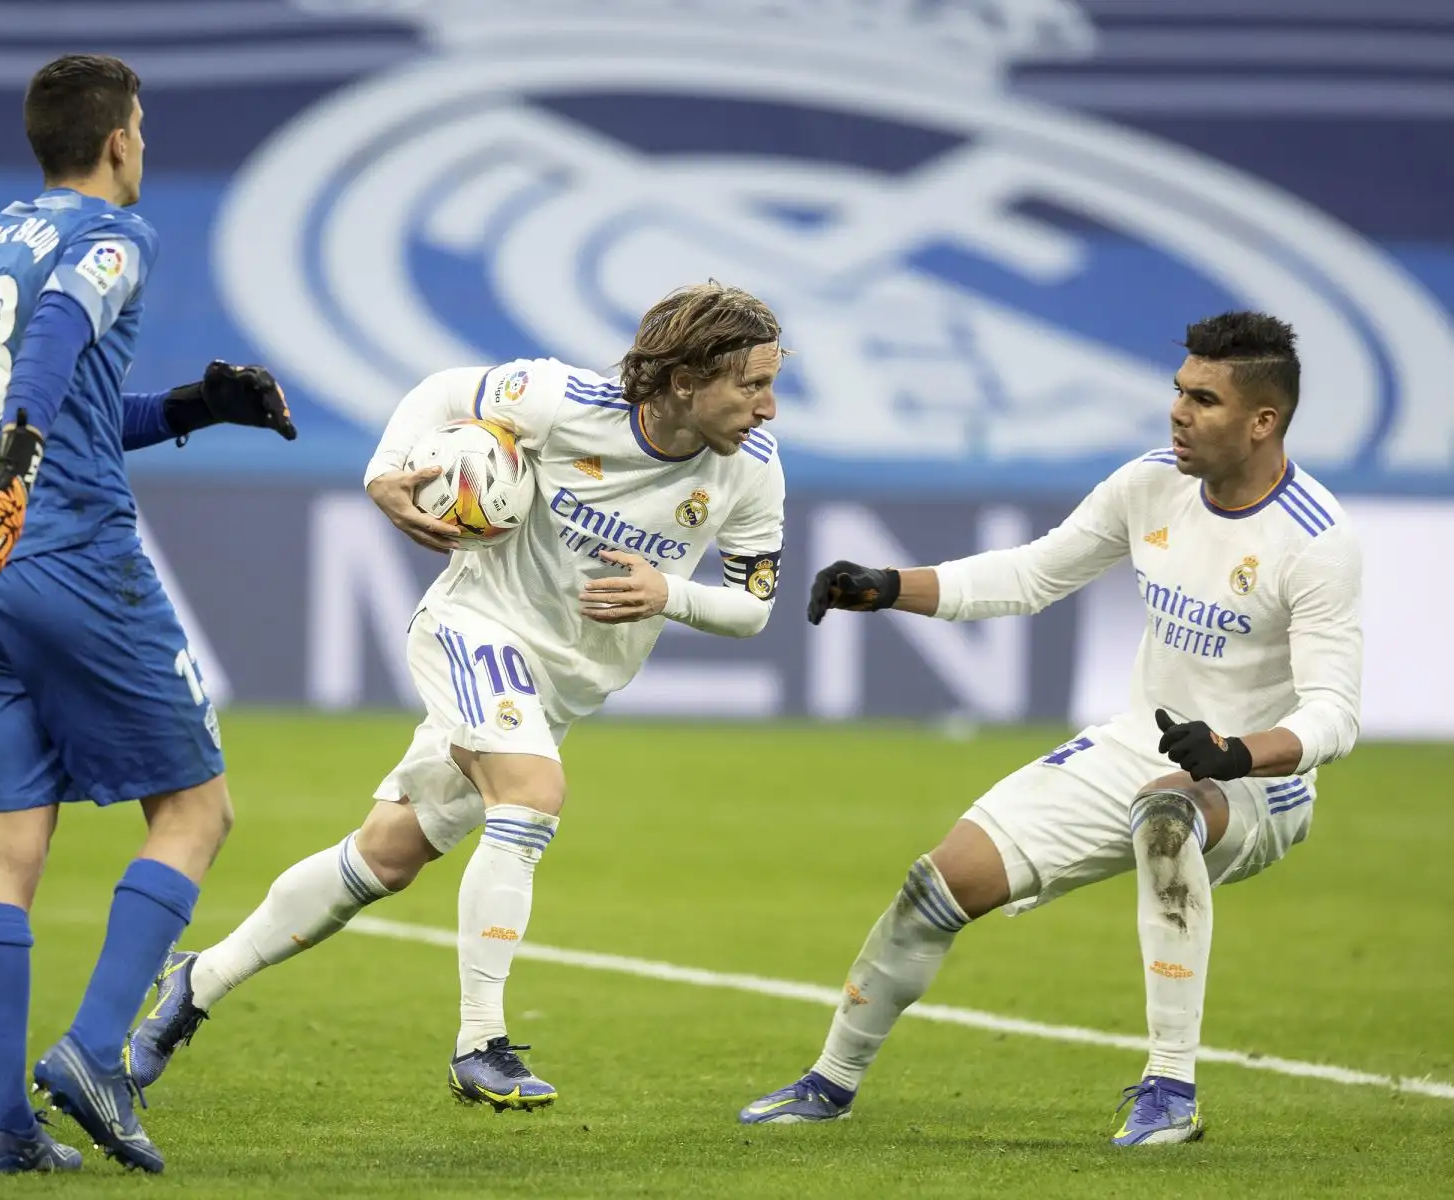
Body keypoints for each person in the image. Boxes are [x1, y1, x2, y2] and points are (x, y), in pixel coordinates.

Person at [129, 282, 788, 1111]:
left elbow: (754, 606)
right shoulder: (562, 400)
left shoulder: (753, 474)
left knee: (385, 856)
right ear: (687, 380)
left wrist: (671, 594)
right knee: (533, 792)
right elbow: (443, 391)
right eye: (752, 386)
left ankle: (199, 981)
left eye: (772, 385)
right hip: (474, 627)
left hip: (561, 690)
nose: (768, 409)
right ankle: (481, 1043)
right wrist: (385, 472)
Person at [739, 311, 1361, 1146]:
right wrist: (891, 585)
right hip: (1143, 744)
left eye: (1204, 400)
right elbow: (1033, 574)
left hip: (1258, 782)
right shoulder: (1150, 483)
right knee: (937, 884)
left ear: (1263, 421)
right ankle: (829, 1082)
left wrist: (1236, 754)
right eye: (1178, 391)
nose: (1178, 411)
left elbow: (1333, 714)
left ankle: (1169, 1088)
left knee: (1167, 815)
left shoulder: (1316, 541)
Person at [0, 53, 295, 1175]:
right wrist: (24, 454)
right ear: (114, 142)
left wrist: (196, 406)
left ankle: (8, 1129)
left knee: (9, 849)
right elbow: (56, 334)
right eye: (139, 125)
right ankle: (97, 1053)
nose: (143, 142)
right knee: (197, 811)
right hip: (75, 553)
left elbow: (70, 391)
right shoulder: (116, 237)